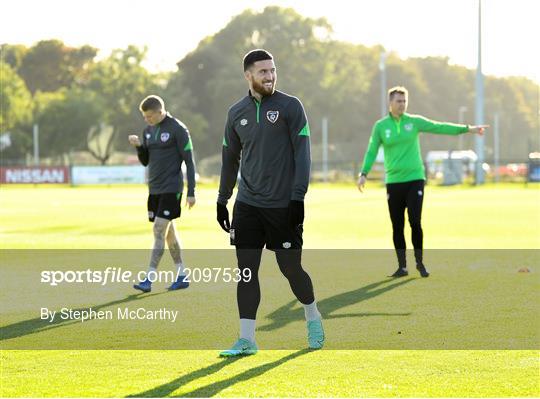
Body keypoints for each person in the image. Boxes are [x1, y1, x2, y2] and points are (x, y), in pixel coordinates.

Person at [216, 49, 324, 357]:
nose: (270, 76)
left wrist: (298, 198)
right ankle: (247, 339)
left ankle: (312, 314)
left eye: (272, 70)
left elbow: (303, 155)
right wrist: (223, 199)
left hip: (283, 207)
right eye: (263, 71)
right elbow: (229, 159)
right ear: (248, 75)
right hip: (247, 206)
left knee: (290, 268)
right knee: (246, 271)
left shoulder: (291, 107)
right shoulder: (236, 112)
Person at [357, 86, 488, 278]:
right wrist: (364, 173)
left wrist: (469, 129)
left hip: (415, 179)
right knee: (397, 225)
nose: (402, 104)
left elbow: (440, 127)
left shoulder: (414, 122)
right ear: (390, 103)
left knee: (415, 221)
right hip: (394, 181)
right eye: (398, 101)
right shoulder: (380, 126)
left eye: (404, 101)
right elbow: (371, 151)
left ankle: (420, 263)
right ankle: (402, 267)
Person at [128, 95, 196, 292]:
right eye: (144, 117)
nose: (147, 120)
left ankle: (148, 279)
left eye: (149, 116)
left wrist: (191, 191)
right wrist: (139, 147)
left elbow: (190, 162)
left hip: (172, 189)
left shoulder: (178, 129)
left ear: (160, 111)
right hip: (154, 190)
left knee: (159, 230)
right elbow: (146, 161)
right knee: (169, 234)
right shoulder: (148, 131)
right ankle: (182, 275)